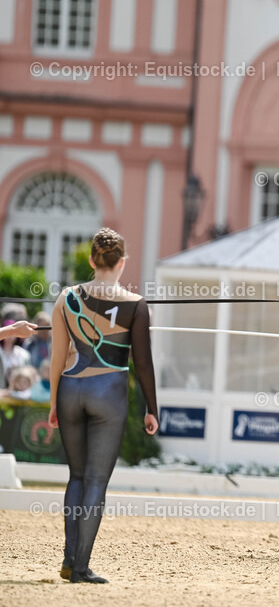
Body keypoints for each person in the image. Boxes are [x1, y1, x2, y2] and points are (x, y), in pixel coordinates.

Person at [47, 228, 159, 584]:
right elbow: (143, 363)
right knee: (96, 480)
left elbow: (57, 358)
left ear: (93, 260)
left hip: (70, 391)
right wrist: (151, 408)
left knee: (76, 477)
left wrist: (53, 402)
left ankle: (68, 558)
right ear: (122, 262)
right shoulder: (137, 305)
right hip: (108, 394)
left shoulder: (66, 298)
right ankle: (80, 568)